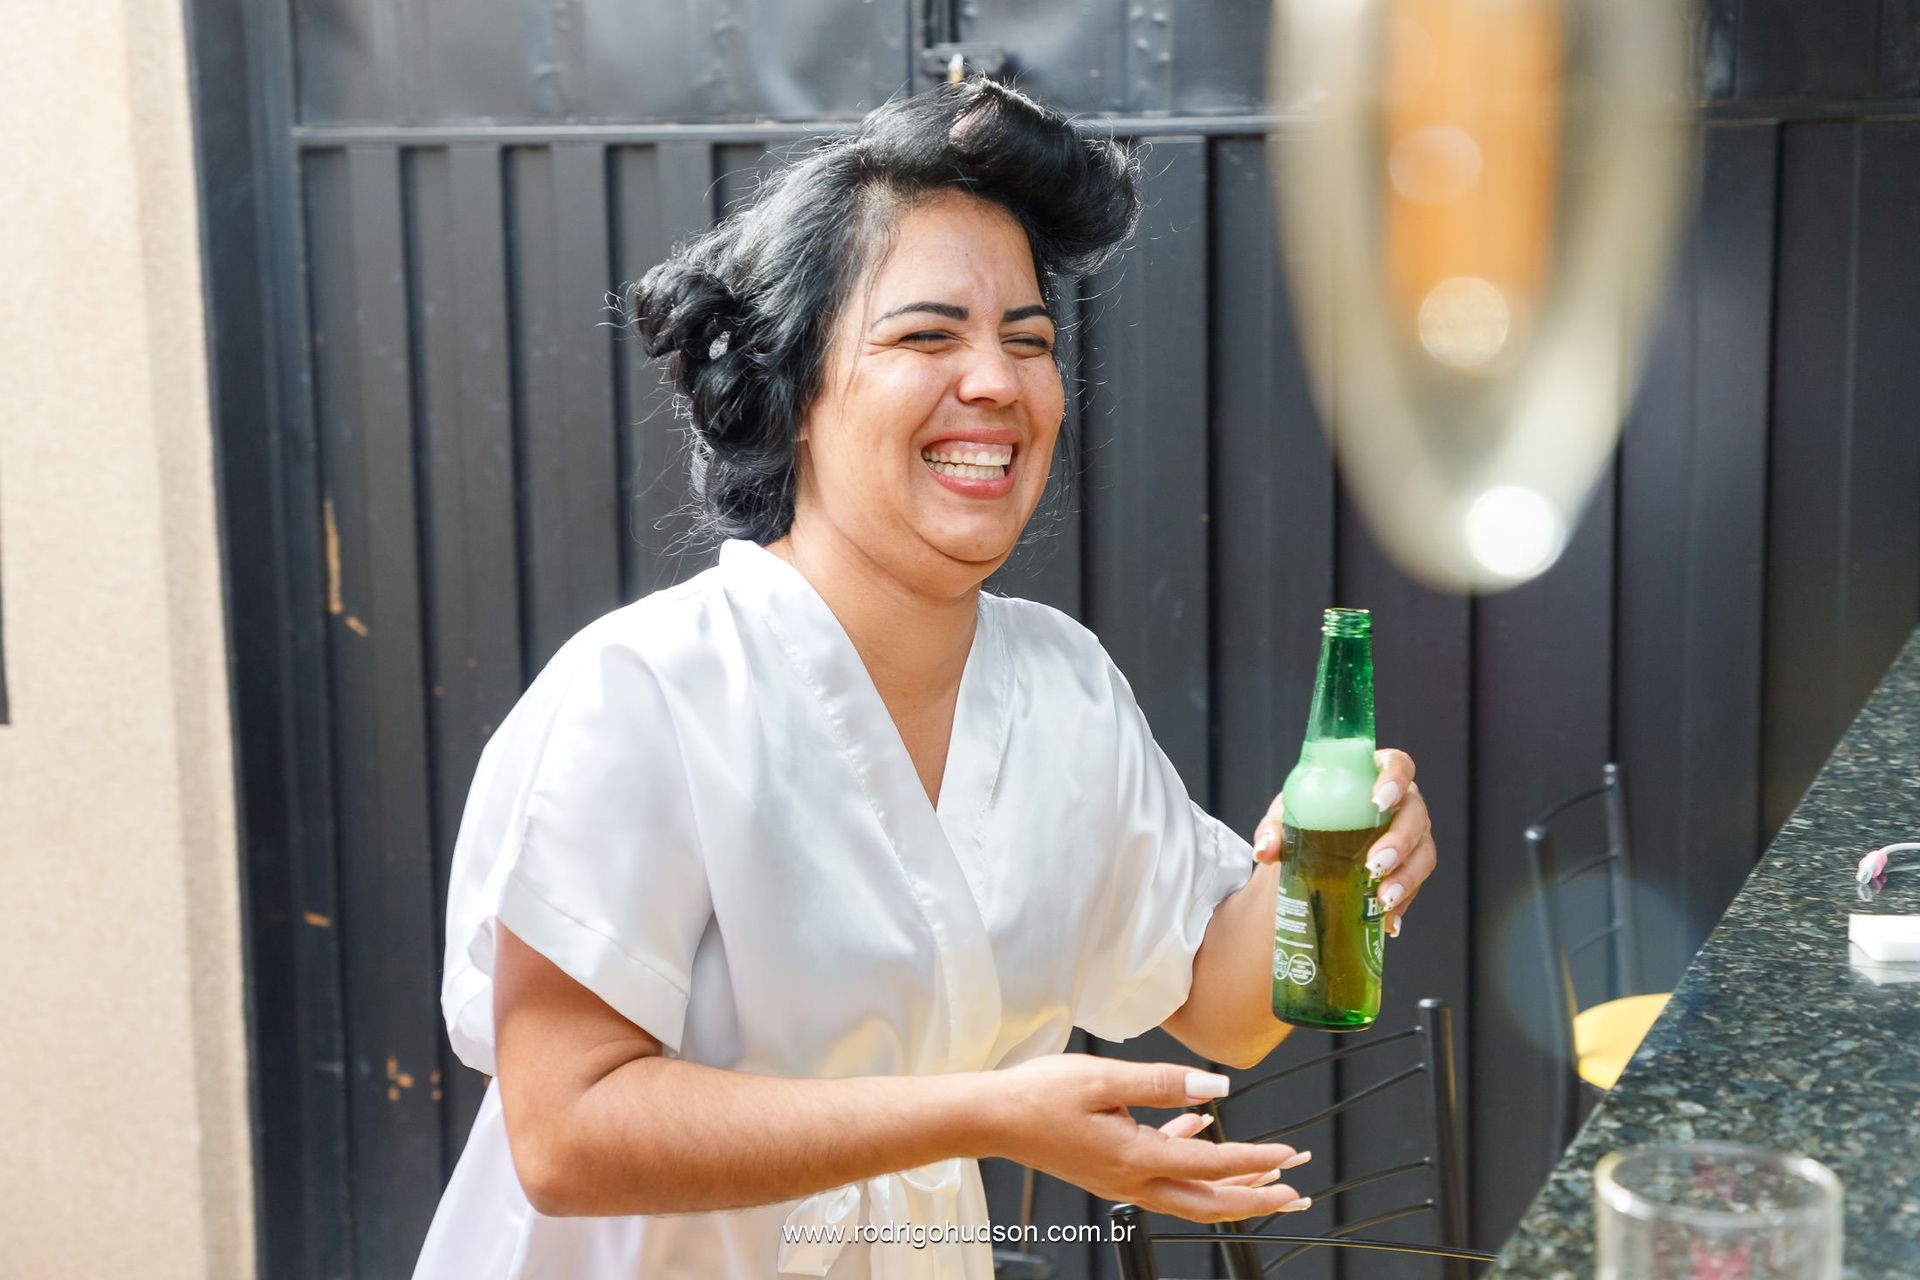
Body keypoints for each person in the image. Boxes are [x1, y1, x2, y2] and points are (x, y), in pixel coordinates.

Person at [411, 78, 1439, 1279]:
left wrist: (1327, 863)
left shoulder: (1060, 685)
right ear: (796, 388)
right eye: (926, 334)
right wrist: (983, 1114)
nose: (997, 382)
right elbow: (567, 1132)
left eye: (1028, 339)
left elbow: (1221, 998)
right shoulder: (644, 691)